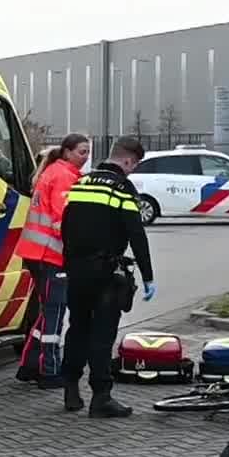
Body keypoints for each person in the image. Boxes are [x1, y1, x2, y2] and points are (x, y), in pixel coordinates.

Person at [58, 136, 156, 417]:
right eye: (134, 165)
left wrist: (71, 262)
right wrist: (148, 276)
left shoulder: (81, 183)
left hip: (76, 270)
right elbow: (136, 234)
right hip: (105, 272)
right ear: (127, 160)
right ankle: (101, 397)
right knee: (102, 334)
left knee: (77, 328)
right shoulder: (122, 188)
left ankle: (71, 388)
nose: (132, 170)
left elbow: (66, 226)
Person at [14, 133, 90, 386]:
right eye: (82, 151)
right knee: (55, 313)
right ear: (67, 152)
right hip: (51, 255)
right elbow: (64, 221)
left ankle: (30, 364)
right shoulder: (64, 178)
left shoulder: (55, 172)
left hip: (37, 253)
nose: (86, 156)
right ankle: (49, 370)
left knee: (47, 312)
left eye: (88, 152)